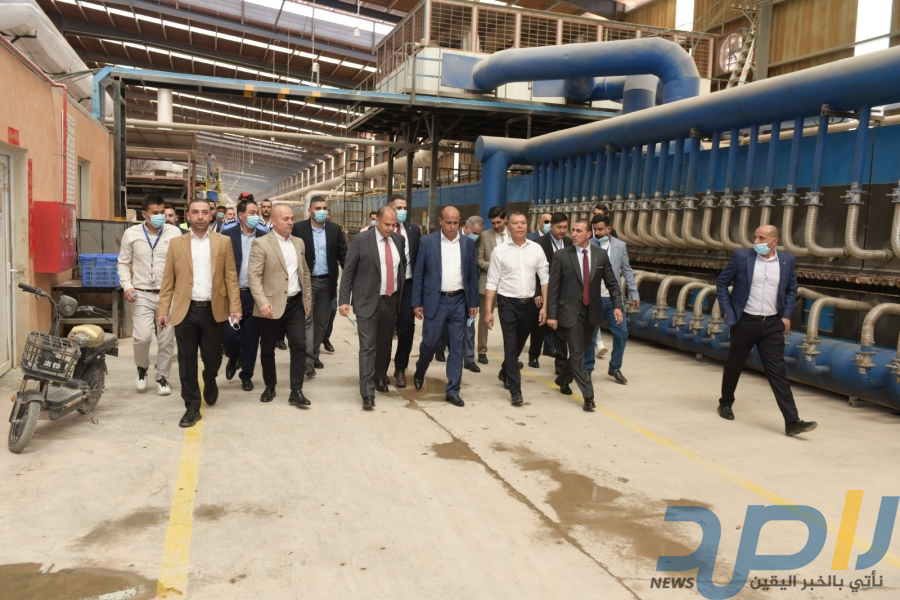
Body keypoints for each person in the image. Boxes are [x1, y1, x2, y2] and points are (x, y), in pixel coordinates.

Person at [716, 225, 817, 437]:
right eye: (755, 237)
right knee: (735, 364)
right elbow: (722, 282)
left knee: (777, 372)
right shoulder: (742, 256)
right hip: (744, 321)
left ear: (774, 241)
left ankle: (792, 421)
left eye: (761, 238)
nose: (756, 241)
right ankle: (725, 403)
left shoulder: (787, 260)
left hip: (771, 325)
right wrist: (727, 310)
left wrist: (786, 315)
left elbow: (791, 290)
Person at [157, 198, 242, 428]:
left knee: (212, 357)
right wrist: (163, 310)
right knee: (186, 360)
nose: (201, 216)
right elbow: (168, 280)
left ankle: (210, 378)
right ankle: (192, 407)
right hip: (186, 310)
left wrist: (235, 306)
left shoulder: (223, 242)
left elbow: (231, 276)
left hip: (213, 309)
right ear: (188, 216)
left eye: (205, 212)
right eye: (195, 212)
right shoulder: (177, 244)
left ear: (211, 215)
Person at [547, 219, 623, 412]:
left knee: (579, 350)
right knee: (578, 353)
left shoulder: (600, 256)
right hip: (569, 311)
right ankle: (588, 396)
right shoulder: (561, 256)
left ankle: (563, 379)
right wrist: (552, 314)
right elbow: (553, 288)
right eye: (573, 230)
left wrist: (617, 306)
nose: (574, 234)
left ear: (589, 234)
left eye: (578, 231)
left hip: (592, 311)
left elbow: (612, 283)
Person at [339, 206, 406, 410]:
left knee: (385, 344)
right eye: (387, 224)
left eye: (394, 225)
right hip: (367, 300)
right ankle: (367, 392)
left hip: (390, 300)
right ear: (377, 220)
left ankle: (379, 376)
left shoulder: (398, 240)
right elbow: (348, 271)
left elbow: (400, 270)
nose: (391, 228)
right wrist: (344, 299)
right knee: (367, 347)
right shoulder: (361, 240)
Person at [411, 207, 479, 407]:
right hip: (436, 301)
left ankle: (453, 390)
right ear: (440, 221)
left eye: (456, 223)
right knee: (430, 343)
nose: (452, 226)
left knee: (457, 346)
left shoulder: (467, 244)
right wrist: (417, 302)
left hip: (459, 301)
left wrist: (473, 302)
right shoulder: (427, 242)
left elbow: (472, 276)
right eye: (448, 222)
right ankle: (420, 369)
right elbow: (419, 274)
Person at [117, 195, 183, 395]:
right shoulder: (131, 234)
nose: (161, 216)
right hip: (141, 293)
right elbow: (123, 263)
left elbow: (181, 263)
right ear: (144, 214)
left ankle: (162, 377)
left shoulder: (174, 232)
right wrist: (127, 286)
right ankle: (142, 368)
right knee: (142, 338)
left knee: (166, 340)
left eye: (163, 212)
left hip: (167, 294)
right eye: (156, 213)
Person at [248, 205, 313, 406]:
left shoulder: (298, 242)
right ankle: (270, 385)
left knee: (299, 345)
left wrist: (308, 299)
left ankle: (296, 390)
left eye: (292, 218)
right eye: (286, 219)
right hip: (270, 306)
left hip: (295, 305)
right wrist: (262, 302)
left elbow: (305, 272)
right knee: (268, 348)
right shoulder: (261, 243)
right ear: (274, 221)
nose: (290, 222)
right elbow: (254, 276)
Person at [484, 211, 549, 407]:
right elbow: (492, 282)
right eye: (516, 223)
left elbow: (544, 279)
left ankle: (505, 371)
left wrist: (545, 306)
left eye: (523, 223)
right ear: (508, 227)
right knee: (510, 345)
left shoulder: (536, 249)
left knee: (519, 344)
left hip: (529, 305)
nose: (520, 226)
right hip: (507, 304)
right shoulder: (499, 251)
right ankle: (515, 390)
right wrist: (488, 311)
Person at [292, 196, 347, 377]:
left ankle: (313, 353)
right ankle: (308, 359)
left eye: (325, 208)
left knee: (322, 322)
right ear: (310, 211)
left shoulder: (334, 229)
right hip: (307, 282)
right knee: (307, 320)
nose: (322, 211)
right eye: (318, 208)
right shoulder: (299, 228)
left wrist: (351, 277)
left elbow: (343, 255)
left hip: (327, 282)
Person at [222, 197, 268, 392]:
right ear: (241, 215)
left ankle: (246, 375)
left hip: (255, 296)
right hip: (233, 295)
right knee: (230, 335)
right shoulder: (227, 236)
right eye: (252, 213)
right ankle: (233, 357)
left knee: (251, 339)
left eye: (257, 213)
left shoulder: (264, 237)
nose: (256, 216)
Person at [586, 214, 638, 384]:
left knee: (621, 333)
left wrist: (634, 293)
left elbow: (627, 270)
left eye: (600, 229)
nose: (597, 233)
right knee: (590, 336)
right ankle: (587, 369)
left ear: (609, 229)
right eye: (595, 229)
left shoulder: (619, 246)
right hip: (594, 299)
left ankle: (615, 367)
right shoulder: (588, 244)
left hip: (613, 300)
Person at [384, 193, 421, 389]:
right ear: (389, 209)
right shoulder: (381, 230)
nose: (403, 211)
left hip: (407, 285)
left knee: (406, 328)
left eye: (405, 208)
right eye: (398, 208)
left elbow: (419, 261)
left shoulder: (414, 231)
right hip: (386, 287)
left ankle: (400, 368)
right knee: (384, 330)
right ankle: (380, 369)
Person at [527, 212, 571, 368]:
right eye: (559, 227)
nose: (562, 230)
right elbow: (533, 270)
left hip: (563, 292)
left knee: (561, 328)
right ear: (551, 226)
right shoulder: (539, 243)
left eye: (565, 227)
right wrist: (537, 292)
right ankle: (534, 355)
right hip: (544, 290)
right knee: (539, 325)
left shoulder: (569, 243)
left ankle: (560, 362)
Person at [476, 206, 509, 365]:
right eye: (493, 223)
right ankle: (482, 350)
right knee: (485, 317)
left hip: (509, 285)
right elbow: (479, 260)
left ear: (505, 219)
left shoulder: (513, 235)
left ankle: (511, 353)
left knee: (509, 320)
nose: (496, 226)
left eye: (498, 222)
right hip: (488, 283)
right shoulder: (484, 236)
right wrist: (496, 267)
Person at [590, 204, 618, 358]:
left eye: (599, 214)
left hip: (608, 288)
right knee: (593, 321)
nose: (595, 216)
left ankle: (614, 365)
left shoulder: (615, 240)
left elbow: (623, 267)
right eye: (594, 213)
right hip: (594, 288)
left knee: (620, 331)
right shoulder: (590, 239)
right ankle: (597, 345)